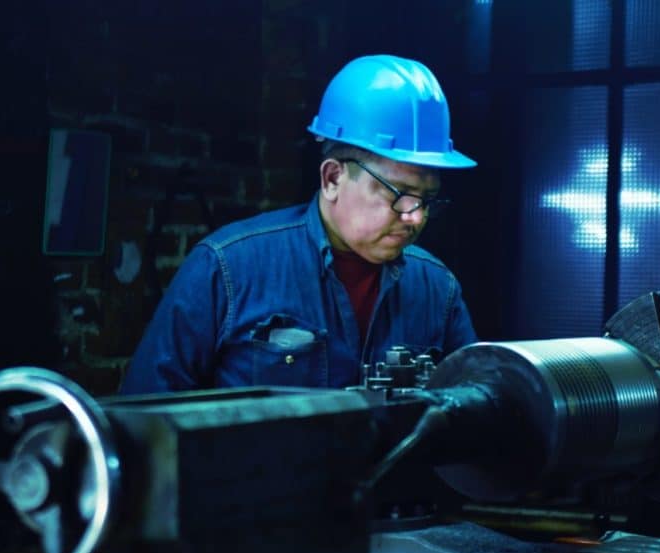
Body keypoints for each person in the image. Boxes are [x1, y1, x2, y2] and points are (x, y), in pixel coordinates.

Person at [120, 55, 478, 393]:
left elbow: (470, 419)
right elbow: (145, 417)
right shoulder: (228, 270)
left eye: (427, 199)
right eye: (399, 194)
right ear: (333, 178)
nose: (415, 216)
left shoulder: (437, 290)